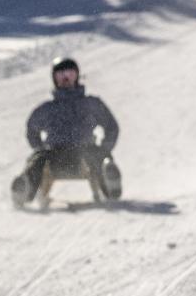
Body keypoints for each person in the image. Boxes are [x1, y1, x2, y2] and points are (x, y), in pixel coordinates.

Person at [17, 56, 121, 202]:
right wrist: (39, 148)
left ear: (77, 76)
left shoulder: (90, 104)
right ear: (54, 79)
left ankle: (110, 182)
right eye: (61, 75)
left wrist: (105, 148)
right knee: (38, 159)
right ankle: (24, 187)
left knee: (98, 155)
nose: (65, 78)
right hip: (55, 154)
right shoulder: (48, 109)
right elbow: (32, 130)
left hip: (85, 151)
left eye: (70, 74)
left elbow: (111, 126)